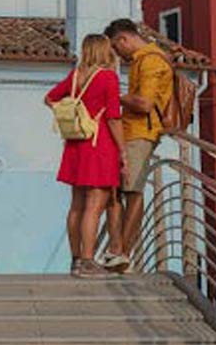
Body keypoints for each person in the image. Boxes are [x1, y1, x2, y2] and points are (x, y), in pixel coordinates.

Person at [44, 34, 126, 277]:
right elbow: (113, 116)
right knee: (95, 204)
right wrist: (122, 151)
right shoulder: (107, 77)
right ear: (104, 51)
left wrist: (73, 111)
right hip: (98, 144)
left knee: (77, 205)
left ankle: (76, 259)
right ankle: (89, 261)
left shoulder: (75, 77)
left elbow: (49, 98)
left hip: (75, 143)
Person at [102, 18, 174, 272]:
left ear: (124, 39)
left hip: (140, 132)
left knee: (130, 191)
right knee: (123, 190)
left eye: (115, 47)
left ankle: (121, 252)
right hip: (135, 132)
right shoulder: (145, 60)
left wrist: (116, 97)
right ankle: (119, 251)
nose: (117, 54)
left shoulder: (150, 61)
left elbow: (143, 103)